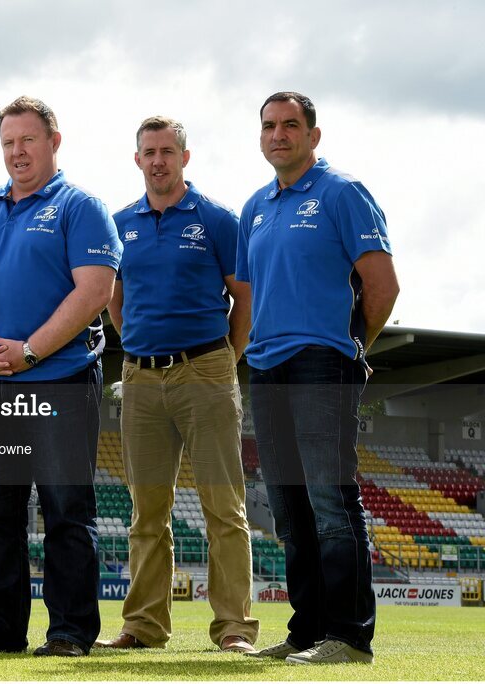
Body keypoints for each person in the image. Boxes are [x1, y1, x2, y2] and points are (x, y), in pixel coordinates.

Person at [0, 96, 121, 657]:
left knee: (66, 509)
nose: (17, 152)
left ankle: (69, 632)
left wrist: (32, 352)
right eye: (8, 142)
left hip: (59, 380)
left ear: (54, 141)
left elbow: (94, 290)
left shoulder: (80, 205)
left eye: (28, 140)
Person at [237, 92, 399, 665]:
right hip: (266, 365)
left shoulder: (343, 193)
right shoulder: (254, 206)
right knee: (288, 507)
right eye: (268, 126)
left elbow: (382, 286)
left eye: (289, 125)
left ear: (313, 134)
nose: (278, 134)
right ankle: (307, 632)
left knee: (330, 499)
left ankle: (350, 636)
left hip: (321, 361)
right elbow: (249, 295)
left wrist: (351, 348)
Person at [95, 116, 259, 654]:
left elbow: (245, 299)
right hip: (140, 378)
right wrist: (139, 345)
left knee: (223, 506)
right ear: (137, 159)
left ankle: (234, 628)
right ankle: (143, 627)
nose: (159, 160)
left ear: (184, 157)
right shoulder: (120, 223)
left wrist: (224, 359)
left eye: (168, 150)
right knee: (147, 512)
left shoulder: (216, 219)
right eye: (149, 151)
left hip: (205, 370)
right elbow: (112, 299)